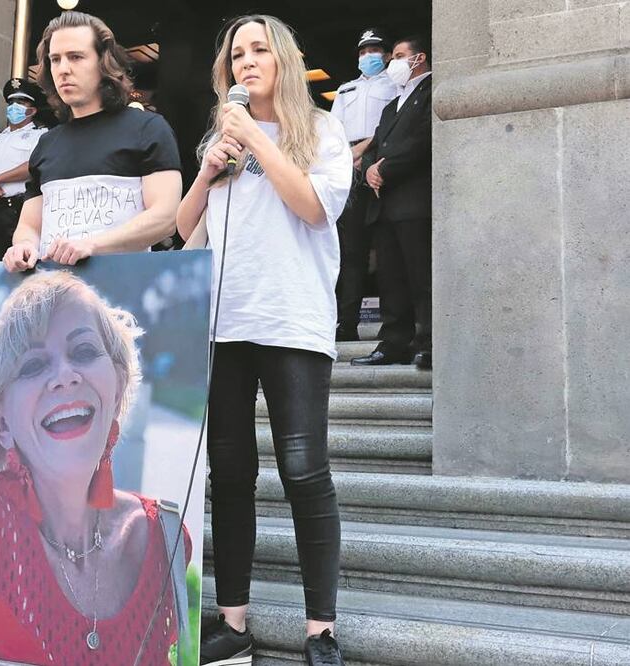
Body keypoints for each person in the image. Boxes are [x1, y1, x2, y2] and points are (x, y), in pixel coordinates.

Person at [175, 14, 351, 666]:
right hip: (226, 324)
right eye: (235, 54)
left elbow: (311, 206)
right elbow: (181, 226)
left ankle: (320, 630)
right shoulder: (221, 140)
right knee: (232, 474)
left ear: (282, 60)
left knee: (305, 470)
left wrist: (257, 139)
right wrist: (209, 172)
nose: (246, 62)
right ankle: (234, 619)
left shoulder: (323, 131)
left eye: (258, 50)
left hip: (293, 322)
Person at [0, 271, 191, 666]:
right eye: (34, 364)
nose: (65, 376)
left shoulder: (167, 536)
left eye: (85, 351)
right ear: (1, 422)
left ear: (119, 386)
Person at [2, 11, 182, 273]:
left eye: (76, 57)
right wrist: (22, 247)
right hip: (51, 293)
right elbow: (29, 226)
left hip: (124, 293)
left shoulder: (148, 128)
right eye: (55, 59)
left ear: (104, 63)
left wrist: (92, 245)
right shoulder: (47, 143)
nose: (63, 69)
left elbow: (165, 217)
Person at [351, 35, 433, 370]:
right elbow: (376, 143)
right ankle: (393, 342)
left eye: (399, 56)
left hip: (414, 202)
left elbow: (423, 138)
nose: (392, 63)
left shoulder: (431, 92)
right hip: (384, 206)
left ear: (419, 58)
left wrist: (385, 167)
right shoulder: (391, 106)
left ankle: (428, 342)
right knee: (391, 280)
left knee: (421, 277)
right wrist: (370, 166)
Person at [329, 28, 399, 341]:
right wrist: (348, 157)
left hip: (382, 163)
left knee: (389, 249)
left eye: (373, 50)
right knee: (351, 253)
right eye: (362, 51)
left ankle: (396, 325)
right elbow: (332, 133)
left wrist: (366, 152)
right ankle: (346, 323)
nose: (367, 56)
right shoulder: (345, 90)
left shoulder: (396, 84)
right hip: (349, 166)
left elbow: (394, 124)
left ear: (385, 55)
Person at [0, 78, 50, 262]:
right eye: (11, 102)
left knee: (21, 260)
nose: (14, 106)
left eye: (21, 102)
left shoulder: (41, 135)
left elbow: (33, 165)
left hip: (20, 209)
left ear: (32, 110)